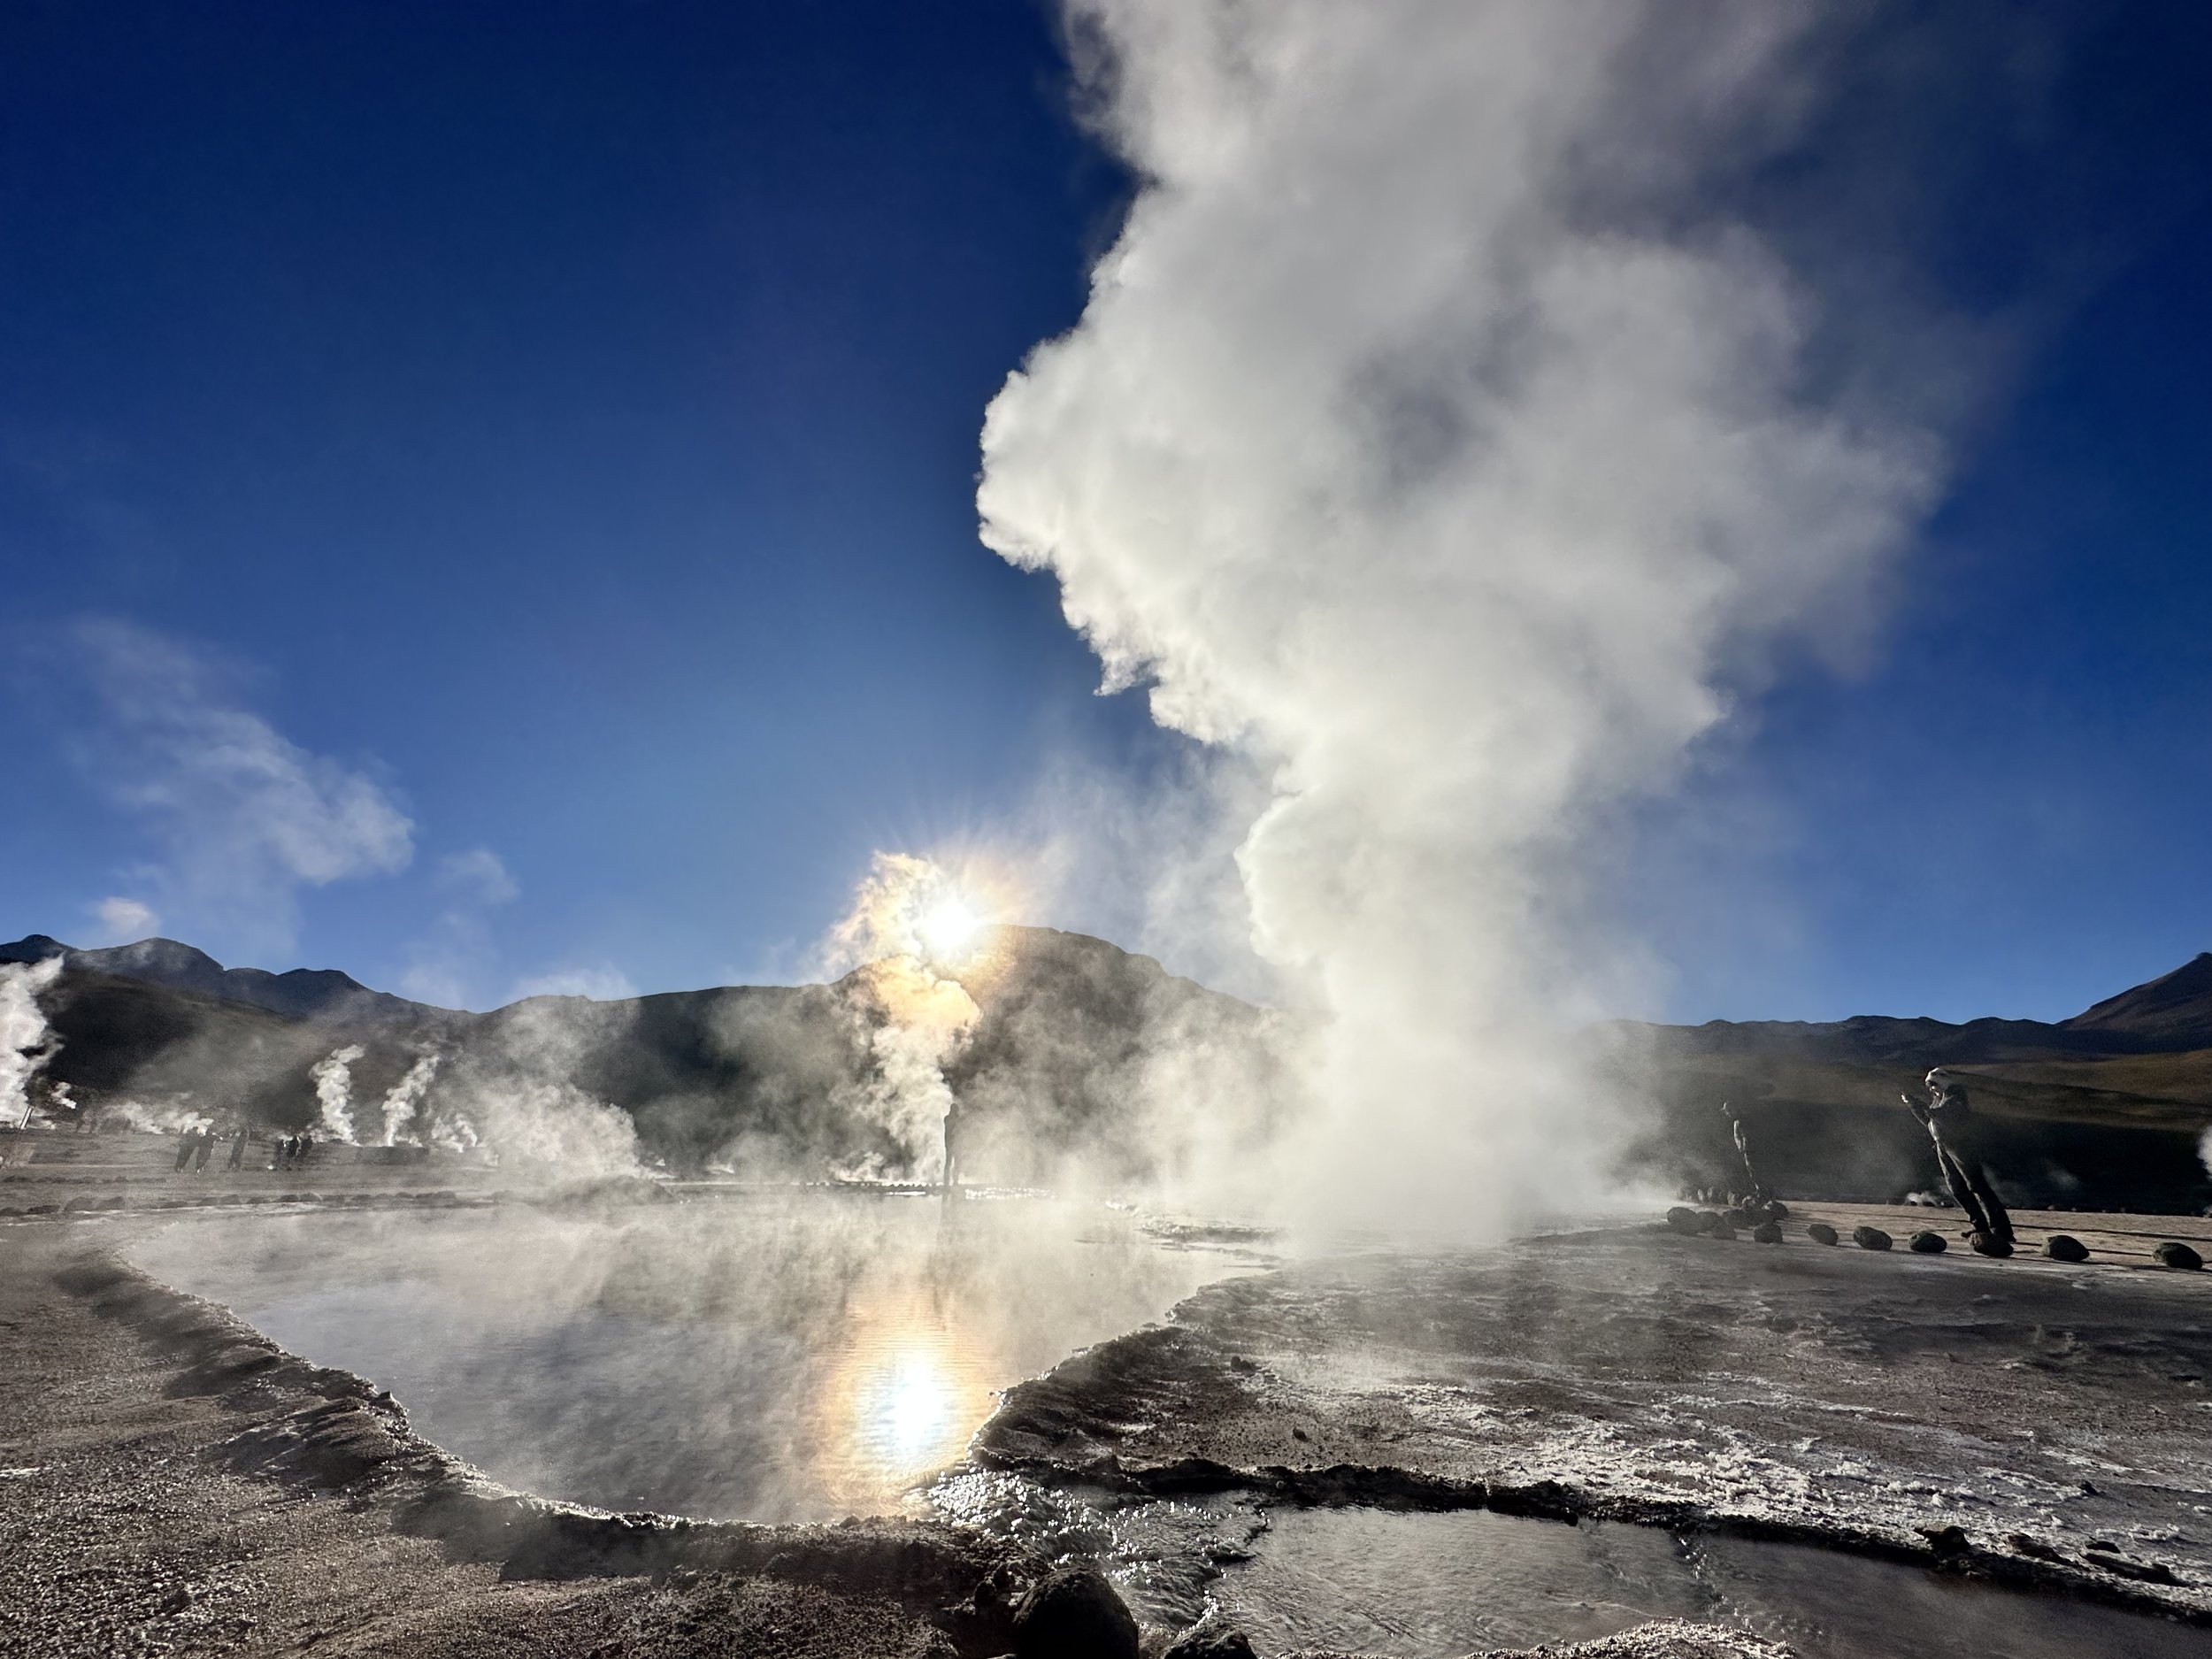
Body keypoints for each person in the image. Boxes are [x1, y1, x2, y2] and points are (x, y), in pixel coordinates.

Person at [1902, 1068, 2013, 1248]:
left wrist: (1921, 1105)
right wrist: (1914, 1105)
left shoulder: (1956, 1097)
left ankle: (2002, 1230)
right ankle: (1980, 1227)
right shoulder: (1939, 1100)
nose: (1931, 1089)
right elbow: (1929, 1121)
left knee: (1977, 1186)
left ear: (1943, 1082)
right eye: (1929, 1085)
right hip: (1944, 1147)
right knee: (1957, 1188)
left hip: (1961, 1147)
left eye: (1933, 1084)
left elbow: (1945, 1116)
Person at [1718, 1101, 1770, 1205]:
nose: (1727, 1114)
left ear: (1733, 1111)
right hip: (1748, 1150)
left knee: (1754, 1170)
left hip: (1749, 1151)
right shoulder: (1739, 1121)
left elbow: (1746, 1136)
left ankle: (1761, 1192)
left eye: (1728, 1112)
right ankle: (1760, 1191)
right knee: (1752, 1171)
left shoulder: (1740, 1122)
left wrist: (1744, 1149)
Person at [941, 1099, 964, 1199]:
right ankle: (948, 1182)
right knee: (950, 1163)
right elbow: (955, 1128)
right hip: (951, 1144)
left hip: (953, 1144)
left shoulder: (949, 1118)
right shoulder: (948, 1118)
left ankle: (954, 1181)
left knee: (955, 1163)